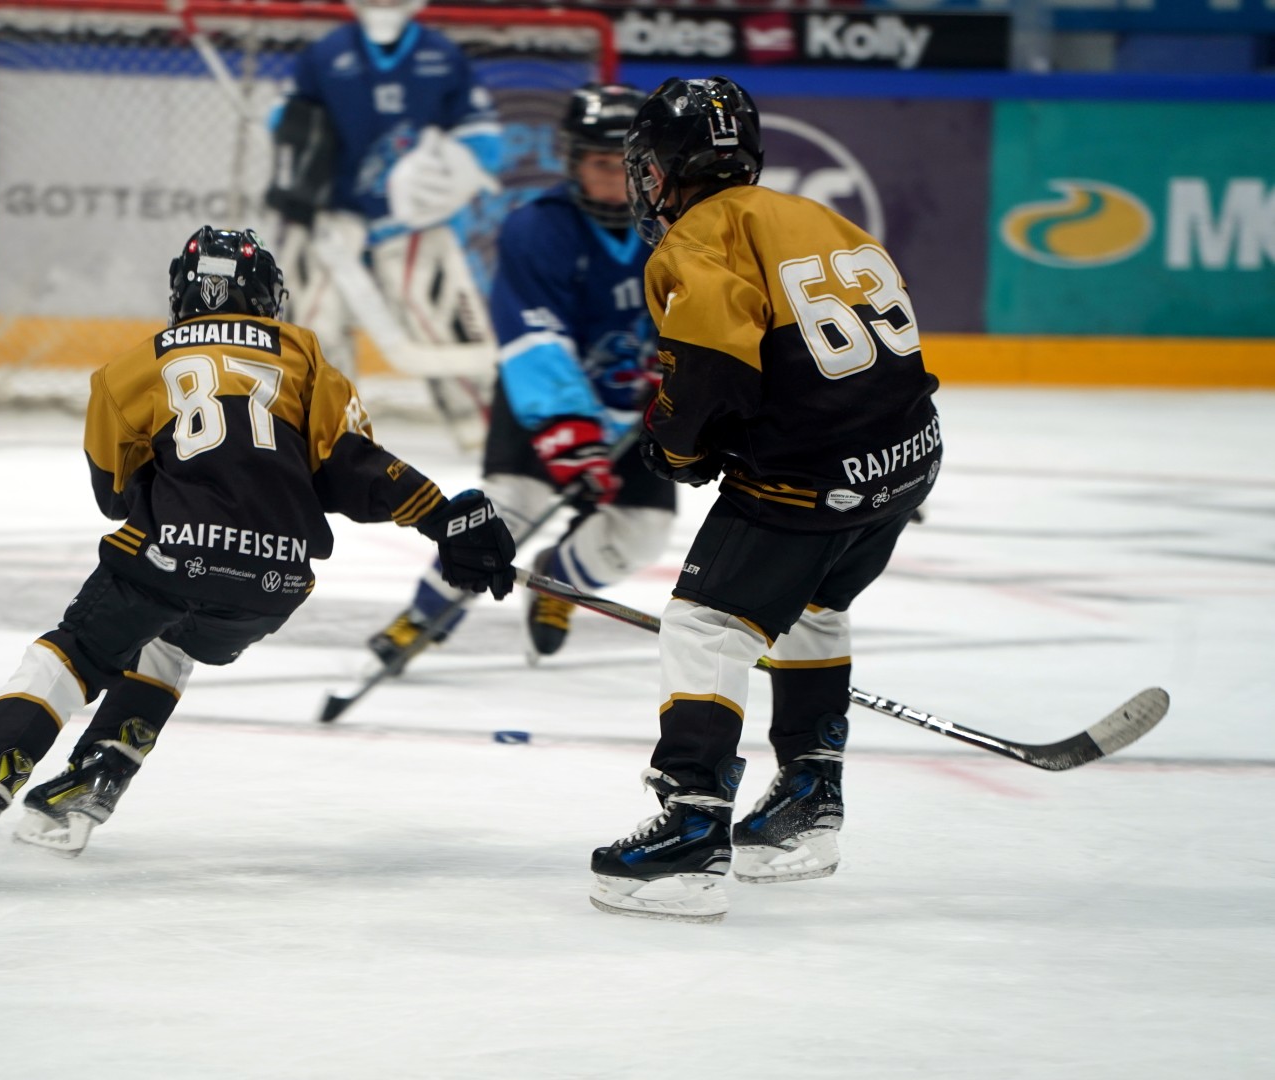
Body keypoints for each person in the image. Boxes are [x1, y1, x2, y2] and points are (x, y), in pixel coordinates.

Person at [0, 227, 517, 885]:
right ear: (267, 297)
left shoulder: (128, 369)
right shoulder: (304, 356)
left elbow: (114, 495)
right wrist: (444, 518)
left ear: (181, 295)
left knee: (73, 651)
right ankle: (97, 775)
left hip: (172, 557)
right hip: (275, 579)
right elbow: (356, 468)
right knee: (169, 640)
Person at [587, 78, 941, 923]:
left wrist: (677, 446)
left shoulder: (697, 239)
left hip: (813, 477)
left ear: (663, 168)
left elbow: (711, 373)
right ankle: (808, 801)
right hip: (909, 459)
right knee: (815, 606)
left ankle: (691, 827)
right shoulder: (821, 219)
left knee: (706, 625)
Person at [368, 84, 674, 670]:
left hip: (640, 405)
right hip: (543, 402)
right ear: (572, 160)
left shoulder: (679, 232)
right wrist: (571, 433)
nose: (616, 180)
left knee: (643, 532)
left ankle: (560, 578)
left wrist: (683, 376)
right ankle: (425, 614)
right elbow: (536, 342)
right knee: (509, 512)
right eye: (601, 164)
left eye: (630, 166)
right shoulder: (535, 229)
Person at [266, 0, 503, 433]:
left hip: (412, 217)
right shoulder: (326, 55)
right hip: (336, 217)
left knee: (433, 312)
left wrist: (458, 163)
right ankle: (320, 433)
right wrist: (295, 140)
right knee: (316, 316)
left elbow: (482, 135)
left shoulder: (442, 56)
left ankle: (485, 431)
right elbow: (287, 118)